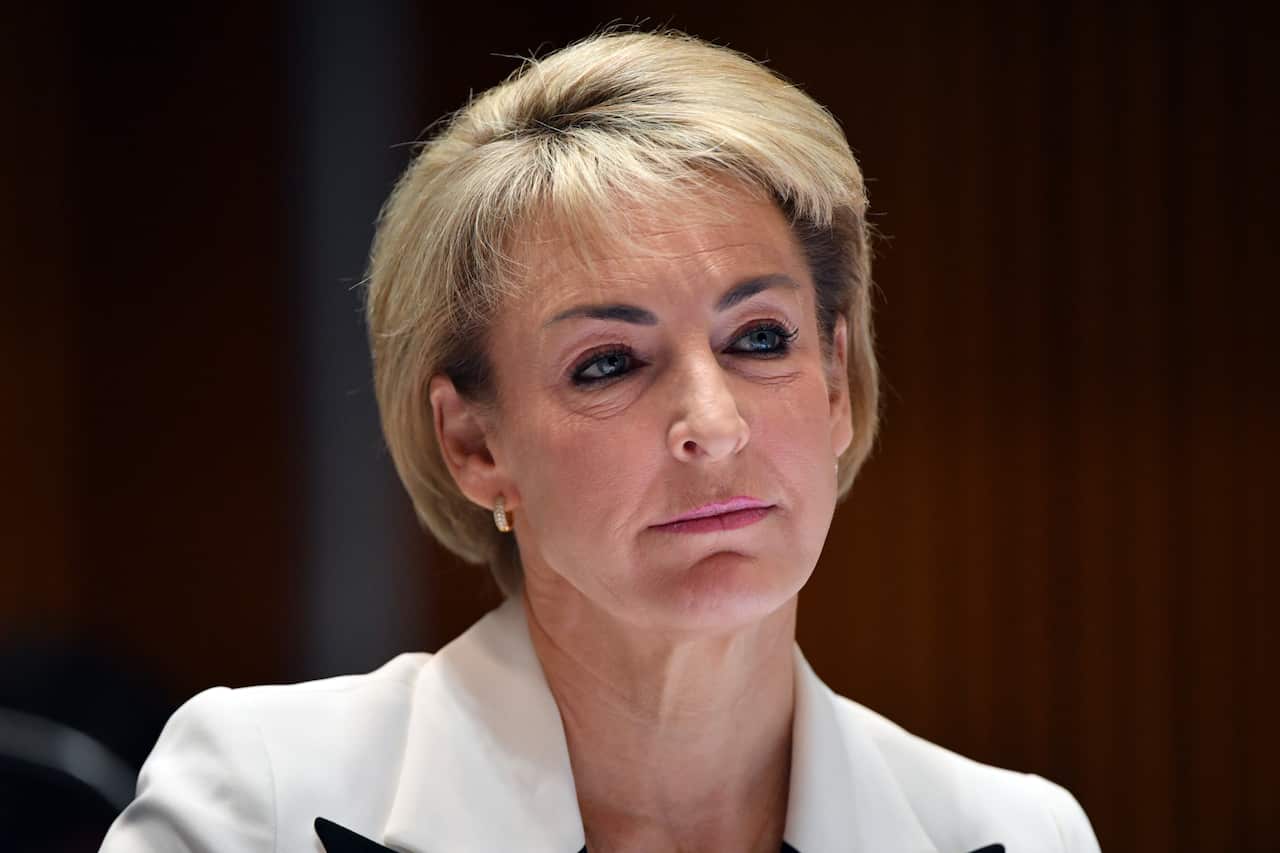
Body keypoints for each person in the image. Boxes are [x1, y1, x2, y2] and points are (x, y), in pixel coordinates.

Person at [100, 29, 1101, 853]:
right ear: (473, 444)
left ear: (835, 381)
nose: (711, 425)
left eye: (758, 339)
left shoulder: (1020, 831)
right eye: (608, 363)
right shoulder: (261, 799)